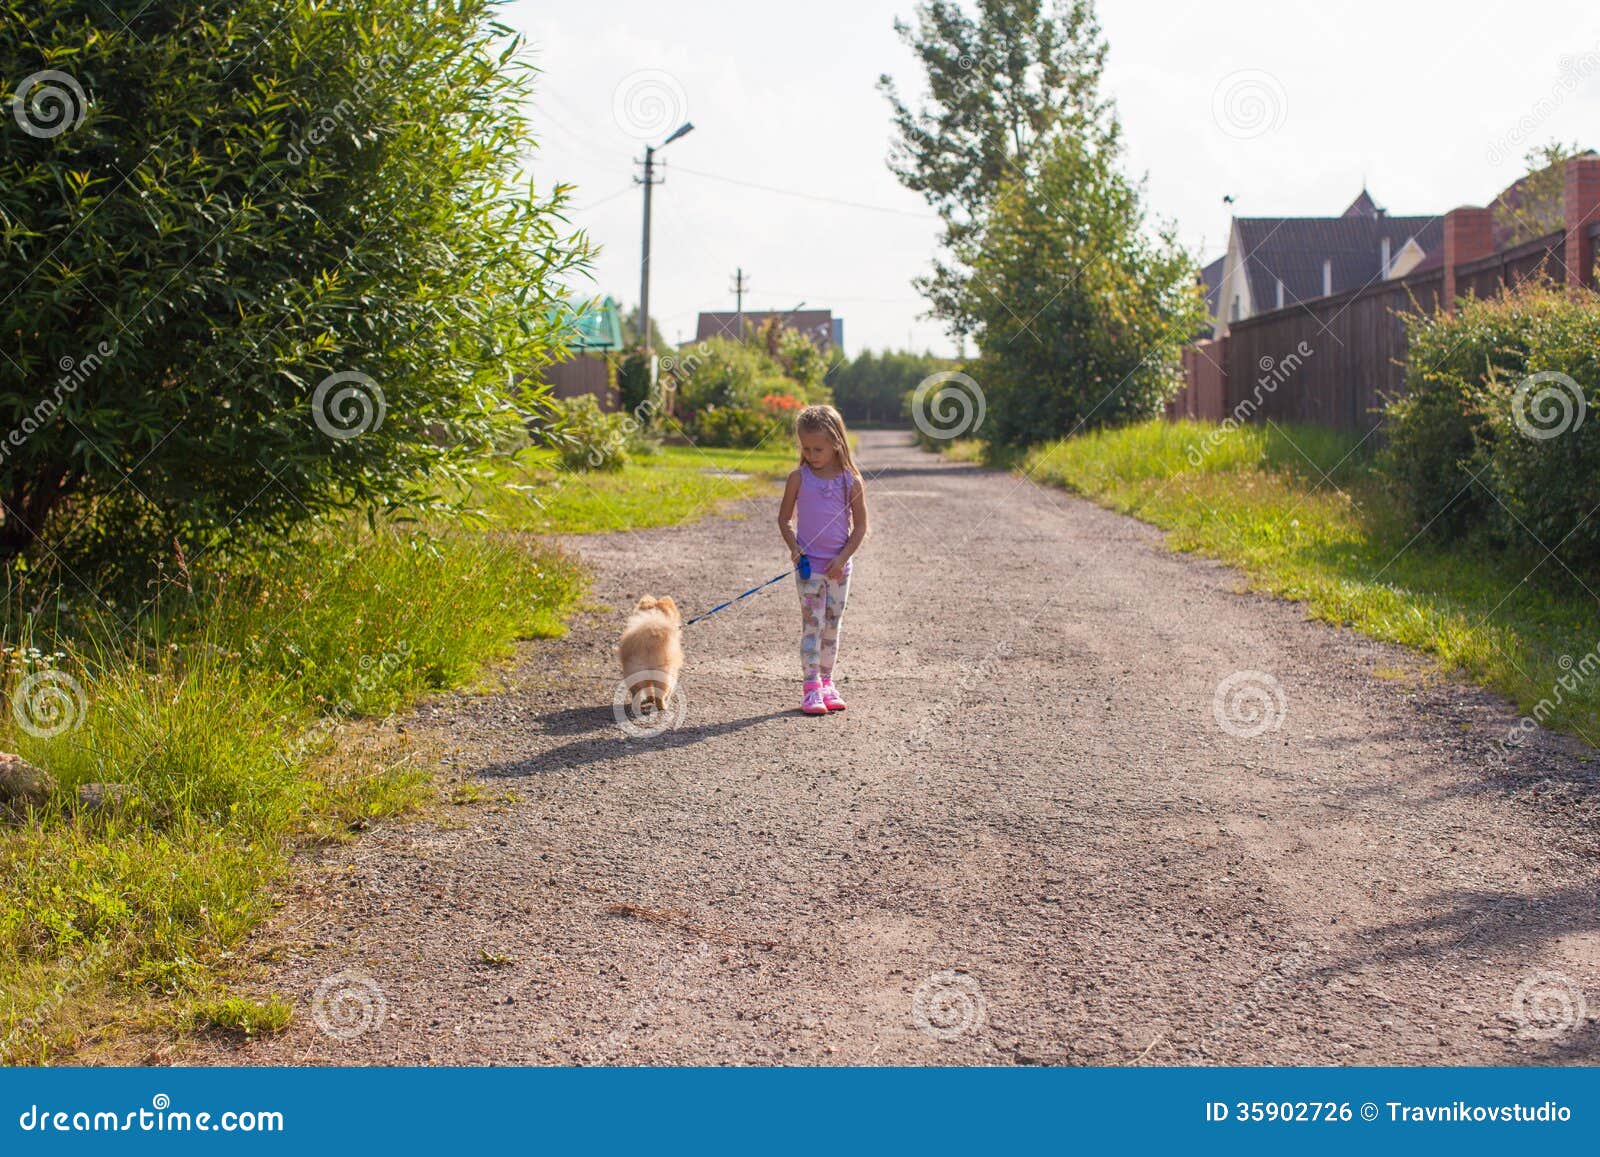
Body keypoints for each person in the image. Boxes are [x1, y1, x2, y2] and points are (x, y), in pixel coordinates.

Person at [777, 405, 868, 715]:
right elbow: (784, 520)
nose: (811, 454)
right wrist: (794, 547)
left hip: (839, 570)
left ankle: (827, 682)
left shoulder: (850, 482)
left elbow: (861, 528)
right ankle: (811, 687)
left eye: (818, 449)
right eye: (806, 448)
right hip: (809, 569)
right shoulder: (798, 478)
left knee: (832, 627)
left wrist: (842, 559)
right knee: (812, 626)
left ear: (836, 444)